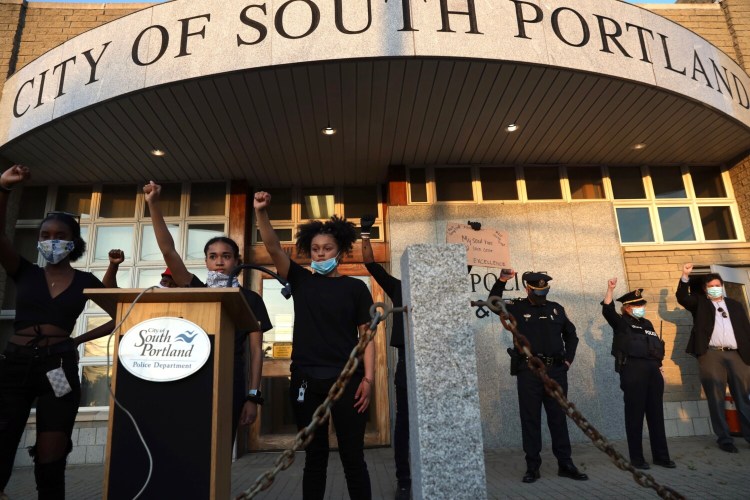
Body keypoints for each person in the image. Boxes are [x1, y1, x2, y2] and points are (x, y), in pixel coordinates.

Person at [0, 165, 115, 499]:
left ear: (73, 241)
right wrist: (4, 189)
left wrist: (78, 340)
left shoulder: (85, 281)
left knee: (53, 446)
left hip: (57, 368)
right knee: (3, 436)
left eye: (59, 235)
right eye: (45, 235)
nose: (51, 240)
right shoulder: (24, 272)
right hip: (15, 364)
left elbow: (119, 316)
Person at [254, 191, 374, 500]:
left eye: (327, 249)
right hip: (306, 380)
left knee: (353, 458)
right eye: (316, 249)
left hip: (347, 381)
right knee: (314, 459)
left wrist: (368, 379)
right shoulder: (302, 281)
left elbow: (367, 336)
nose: (320, 254)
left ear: (341, 251)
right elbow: (271, 247)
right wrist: (261, 212)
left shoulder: (356, 288)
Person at [143, 181, 271, 444]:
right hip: (192, 376)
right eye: (213, 256)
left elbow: (257, 351)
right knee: (190, 446)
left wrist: (252, 396)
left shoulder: (251, 299)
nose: (220, 261)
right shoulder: (196, 289)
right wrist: (153, 204)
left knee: (222, 447)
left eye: (226, 256)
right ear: (206, 262)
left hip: (231, 380)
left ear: (237, 261)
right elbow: (168, 251)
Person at [488, 270, 587, 483]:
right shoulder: (516, 307)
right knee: (530, 419)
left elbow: (572, 336)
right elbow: (493, 303)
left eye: (545, 290)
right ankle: (532, 466)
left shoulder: (556, 309)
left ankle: (565, 464)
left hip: (556, 371)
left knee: (558, 418)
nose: (542, 293)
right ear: (528, 288)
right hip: (529, 371)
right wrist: (502, 280)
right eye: (537, 290)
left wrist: (568, 360)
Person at [360, 215, 410, 500]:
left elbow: (460, 268)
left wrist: (467, 238)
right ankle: (404, 478)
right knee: (403, 421)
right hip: (406, 360)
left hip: (436, 363)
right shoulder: (399, 287)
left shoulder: (442, 289)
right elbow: (370, 265)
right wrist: (366, 233)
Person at [676, 263, 750, 452]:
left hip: (736, 355)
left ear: (722, 286)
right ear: (706, 289)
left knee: (743, 396)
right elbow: (683, 298)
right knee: (716, 397)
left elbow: (745, 330)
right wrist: (685, 276)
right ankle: (724, 439)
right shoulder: (700, 303)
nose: (715, 288)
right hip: (711, 355)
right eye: (711, 286)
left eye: (718, 285)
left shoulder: (735, 305)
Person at [602, 278, 674, 469]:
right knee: (635, 415)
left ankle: (661, 456)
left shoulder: (648, 323)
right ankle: (637, 459)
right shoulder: (621, 323)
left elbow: (655, 347)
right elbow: (607, 310)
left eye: (641, 304)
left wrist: (659, 367)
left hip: (652, 369)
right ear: (627, 308)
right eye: (636, 305)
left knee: (656, 414)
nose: (641, 307)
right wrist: (610, 289)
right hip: (633, 370)